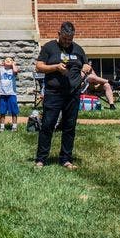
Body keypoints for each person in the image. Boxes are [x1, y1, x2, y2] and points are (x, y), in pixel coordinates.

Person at [34, 22, 86, 167]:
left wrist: (85, 69)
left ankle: (66, 159)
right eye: (65, 39)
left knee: (69, 126)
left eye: (70, 39)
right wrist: (55, 67)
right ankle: (41, 159)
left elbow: (85, 65)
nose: (67, 42)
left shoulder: (78, 49)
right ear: (59, 34)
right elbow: (38, 67)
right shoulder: (49, 47)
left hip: (73, 94)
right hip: (54, 93)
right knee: (48, 125)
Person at [0, 56, 20, 130]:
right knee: (2, 111)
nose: (8, 61)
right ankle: (2, 126)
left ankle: (14, 126)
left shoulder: (13, 70)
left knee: (13, 111)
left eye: (10, 60)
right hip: (3, 94)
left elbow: (15, 71)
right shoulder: (1, 70)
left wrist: (13, 64)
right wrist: (0, 63)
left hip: (12, 94)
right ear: (4, 63)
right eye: (6, 60)